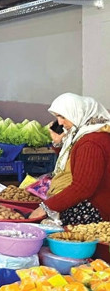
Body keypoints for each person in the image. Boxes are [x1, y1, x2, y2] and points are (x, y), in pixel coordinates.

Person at [29, 93, 110, 224]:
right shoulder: (83, 133)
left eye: (63, 116)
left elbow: (82, 187)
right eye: (57, 117)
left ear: (78, 113)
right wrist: (58, 142)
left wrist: (46, 208)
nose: (60, 122)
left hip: (97, 210)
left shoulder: (91, 143)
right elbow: (75, 161)